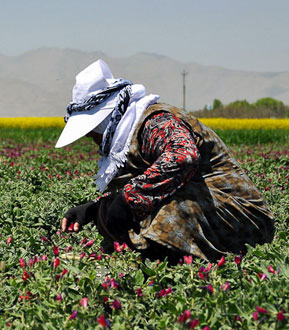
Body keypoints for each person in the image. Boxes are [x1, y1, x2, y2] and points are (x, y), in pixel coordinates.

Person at [56, 59, 275, 262]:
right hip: (219, 213)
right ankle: (142, 258)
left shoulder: (156, 122)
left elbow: (183, 157)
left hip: (244, 218)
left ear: (105, 121)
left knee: (166, 207)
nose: (90, 138)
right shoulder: (132, 134)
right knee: (116, 207)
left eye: (91, 131)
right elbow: (143, 181)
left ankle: (150, 263)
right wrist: (95, 209)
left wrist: (127, 200)